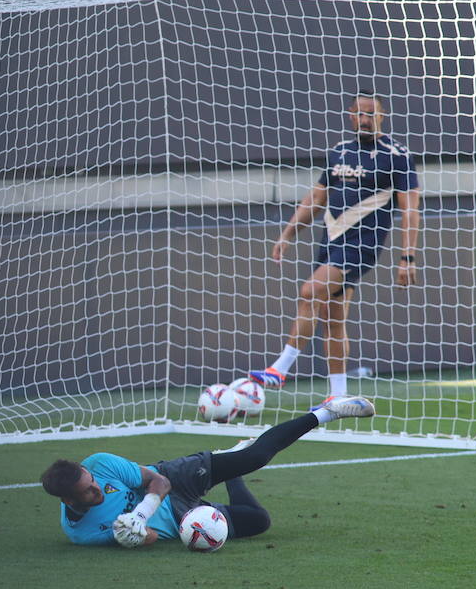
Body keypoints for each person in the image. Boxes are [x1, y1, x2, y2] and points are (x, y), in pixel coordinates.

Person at [249, 92, 421, 402]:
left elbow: (410, 209)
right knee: (332, 318)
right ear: (350, 116)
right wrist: (287, 234)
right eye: (359, 113)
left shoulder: (396, 155)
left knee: (309, 291)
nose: (365, 119)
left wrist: (407, 256)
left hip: (362, 243)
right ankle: (338, 395)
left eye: (371, 113)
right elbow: (316, 199)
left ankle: (280, 368)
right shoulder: (339, 152)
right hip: (330, 240)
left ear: (382, 116)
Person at [41, 396, 375, 548]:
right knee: (259, 521)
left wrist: (141, 513)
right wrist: (137, 536)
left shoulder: (100, 463)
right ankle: (231, 467)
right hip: (183, 520)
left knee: (257, 455)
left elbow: (159, 481)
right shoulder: (82, 534)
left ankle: (326, 412)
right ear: (69, 500)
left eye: (93, 482)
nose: (97, 488)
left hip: (174, 478)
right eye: (89, 492)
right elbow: (152, 538)